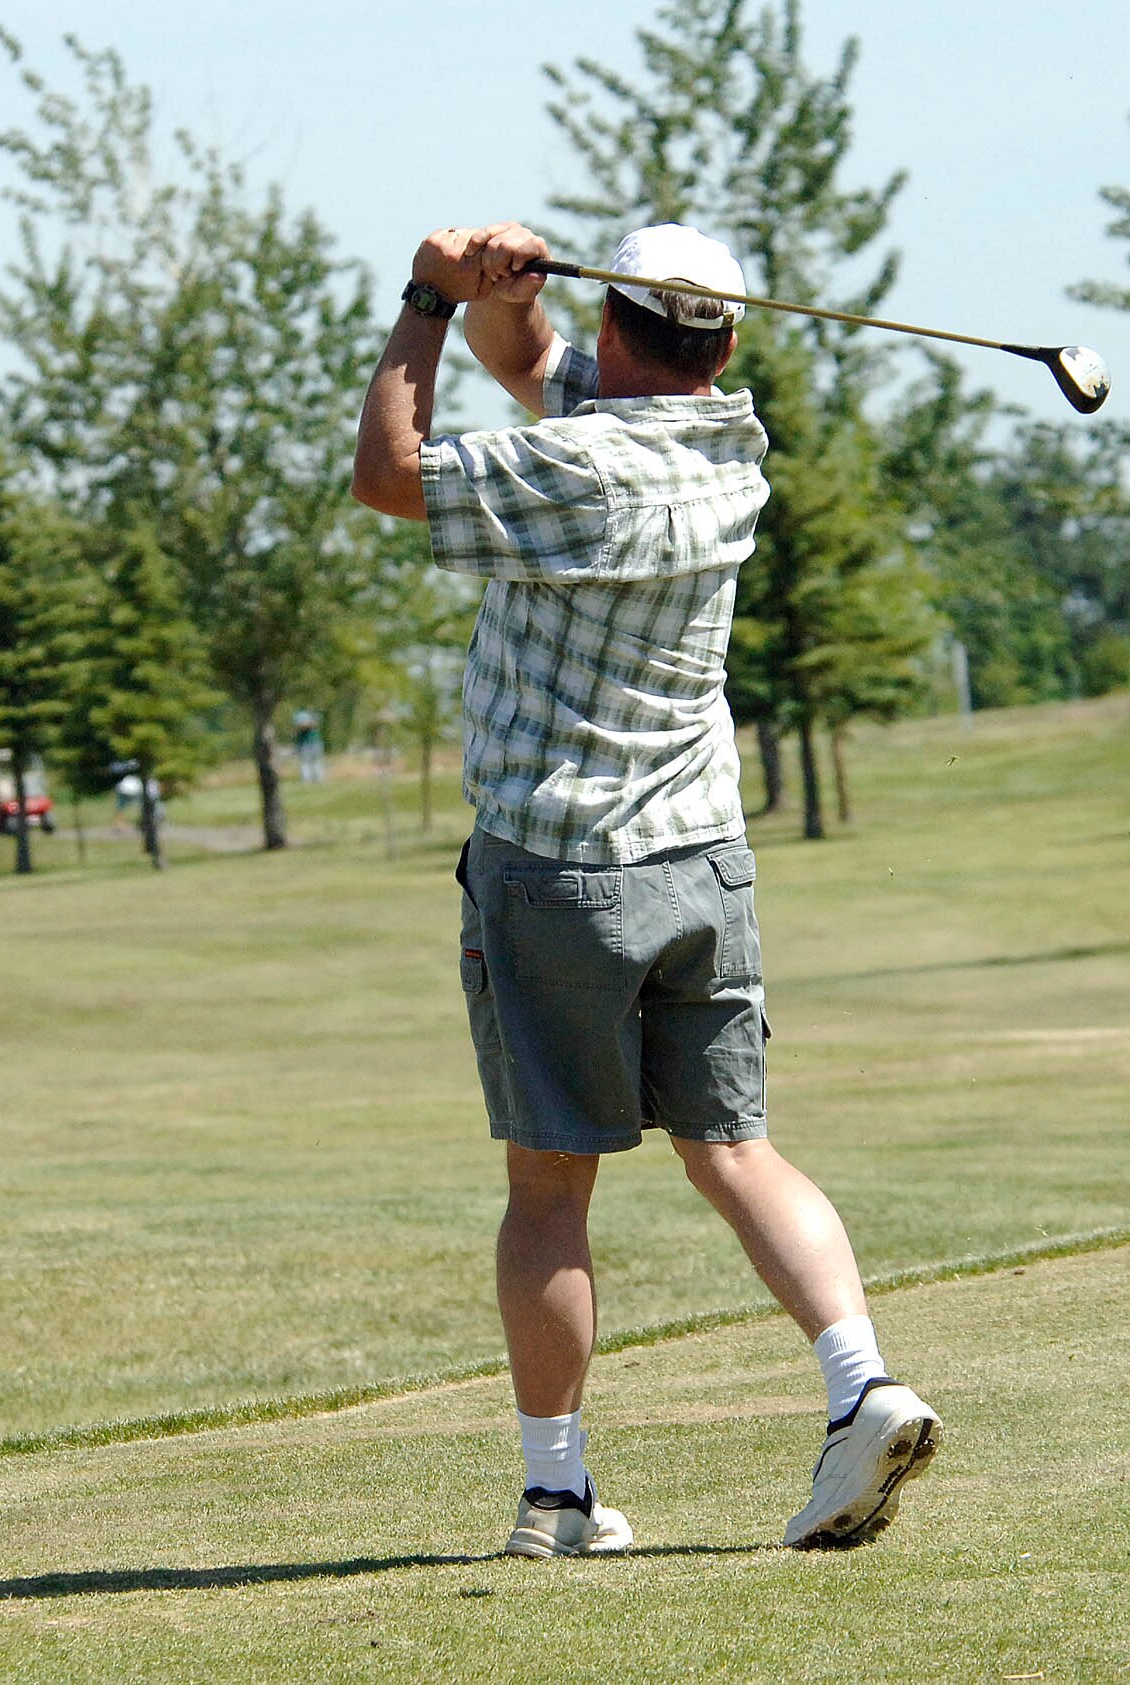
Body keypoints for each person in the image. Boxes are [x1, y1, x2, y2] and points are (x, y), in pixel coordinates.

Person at [351, 221, 941, 1557]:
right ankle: (863, 1382)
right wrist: (514, 297)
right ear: (723, 344)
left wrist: (430, 300)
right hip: (700, 862)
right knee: (734, 1148)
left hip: (559, 866)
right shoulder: (729, 444)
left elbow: (389, 474)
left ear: (620, 324)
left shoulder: (581, 470)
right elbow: (551, 367)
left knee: (550, 1190)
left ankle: (556, 1495)